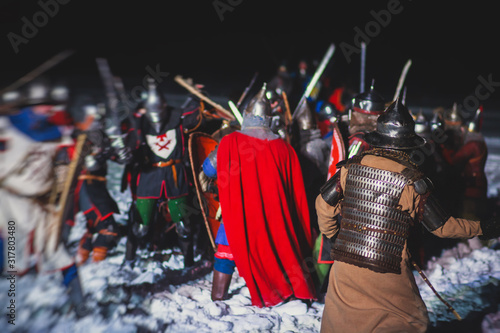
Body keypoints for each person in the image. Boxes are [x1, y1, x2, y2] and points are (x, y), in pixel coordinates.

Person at [315, 98, 499, 332]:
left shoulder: (351, 167)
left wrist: (334, 235)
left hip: (345, 266)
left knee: (341, 322)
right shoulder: (412, 180)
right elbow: (443, 227)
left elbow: (322, 204)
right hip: (387, 271)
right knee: (409, 320)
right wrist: (483, 228)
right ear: (408, 143)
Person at [202, 83, 317, 307]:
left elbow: (208, 168)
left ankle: (218, 297)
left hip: (239, 213)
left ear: (246, 115)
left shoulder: (230, 142)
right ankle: (283, 289)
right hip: (274, 217)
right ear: (270, 119)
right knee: (277, 247)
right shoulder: (285, 148)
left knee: (226, 247)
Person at [0, 79, 90, 317]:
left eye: (48, 104)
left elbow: (74, 144)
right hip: (10, 203)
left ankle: (80, 306)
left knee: (56, 251)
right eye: (41, 105)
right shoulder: (8, 126)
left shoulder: (54, 129)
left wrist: (87, 136)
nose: (47, 109)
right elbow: (30, 134)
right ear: (28, 106)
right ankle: (9, 310)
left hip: (42, 205)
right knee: (11, 257)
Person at [121, 78, 206, 268]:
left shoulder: (177, 118)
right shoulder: (139, 124)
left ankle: (188, 262)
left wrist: (195, 95)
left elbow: (194, 116)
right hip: (148, 176)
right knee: (141, 225)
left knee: (184, 225)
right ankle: (129, 259)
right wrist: (124, 153)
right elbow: (129, 149)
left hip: (175, 176)